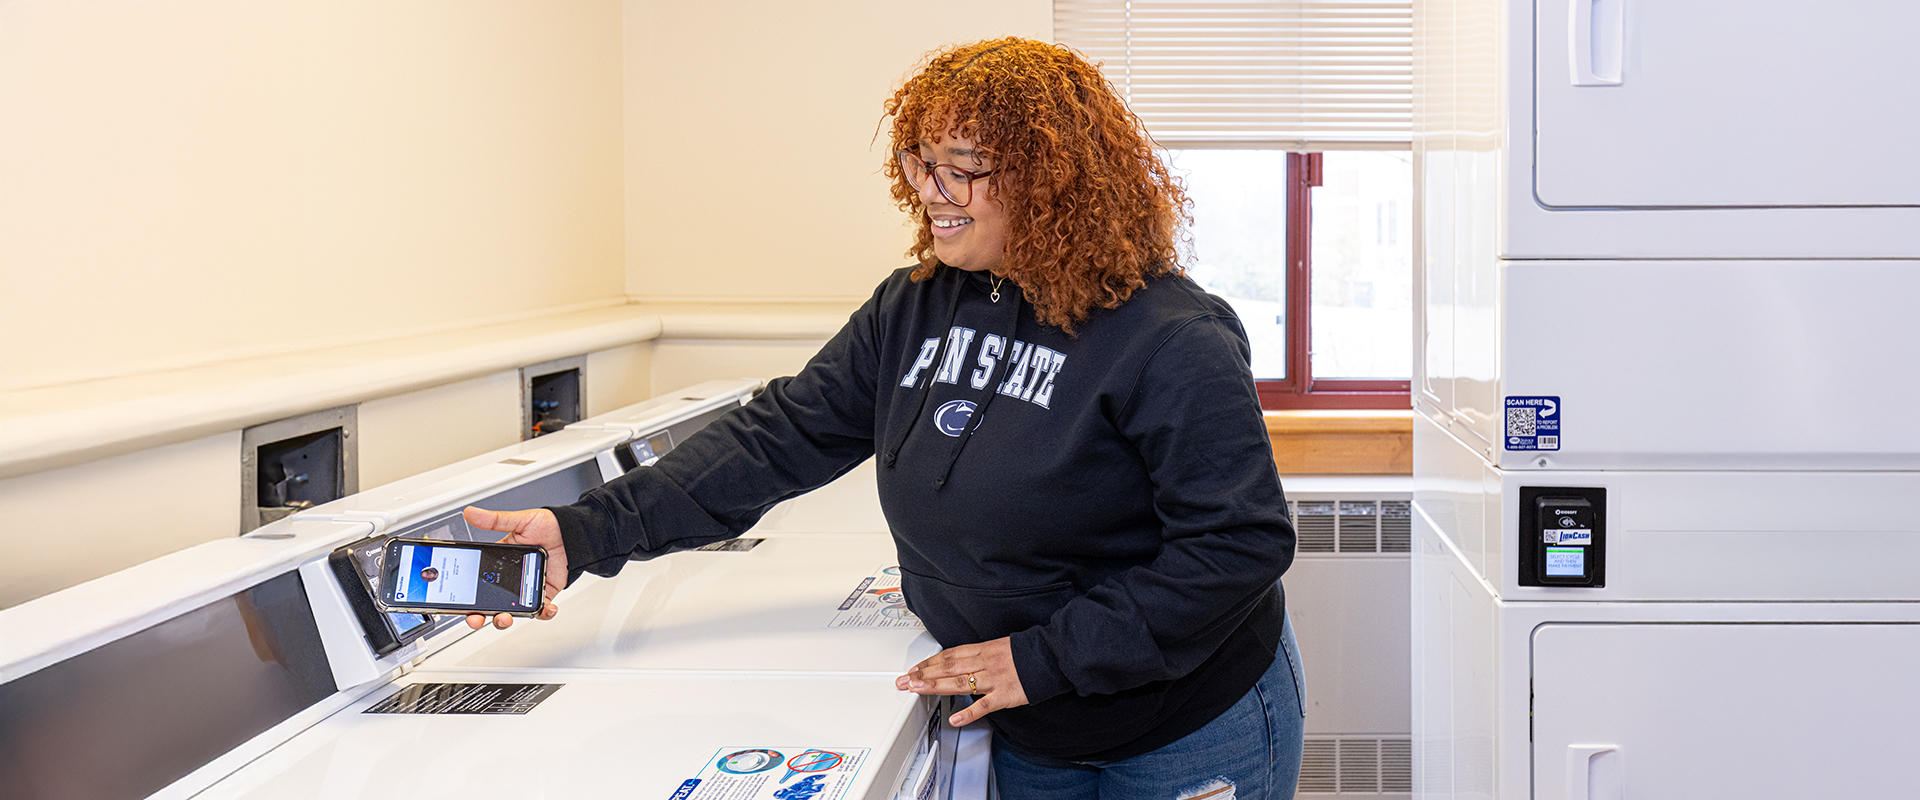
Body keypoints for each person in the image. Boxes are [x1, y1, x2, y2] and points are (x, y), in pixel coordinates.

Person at [463, 37, 1304, 799]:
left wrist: (1041, 657)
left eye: (962, 167)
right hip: (1025, 718)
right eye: (919, 161)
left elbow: (1240, 544)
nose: (931, 192)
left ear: (1051, 179)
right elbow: (779, 437)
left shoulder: (1167, 335)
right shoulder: (915, 309)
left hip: (1183, 722)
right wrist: (584, 532)